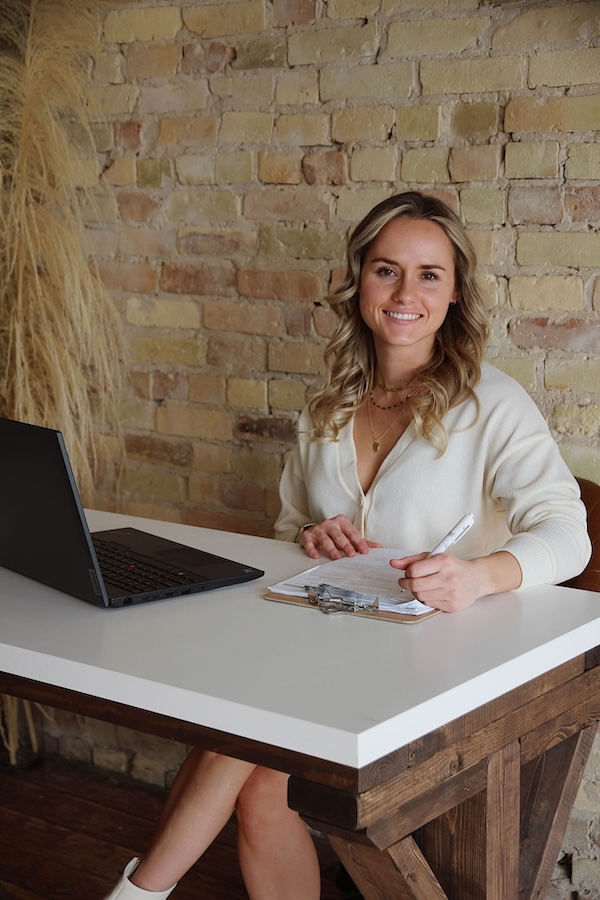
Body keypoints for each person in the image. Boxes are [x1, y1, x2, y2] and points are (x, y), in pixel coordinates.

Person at [102, 191, 591, 899]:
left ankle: (137, 892)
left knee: (241, 722)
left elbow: (569, 535)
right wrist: (309, 537)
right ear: (359, 281)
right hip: (328, 646)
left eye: (429, 274)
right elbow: (284, 536)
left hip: (438, 665)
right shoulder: (326, 408)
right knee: (255, 774)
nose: (405, 293)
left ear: (455, 293)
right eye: (386, 269)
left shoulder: (492, 403)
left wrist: (479, 576)